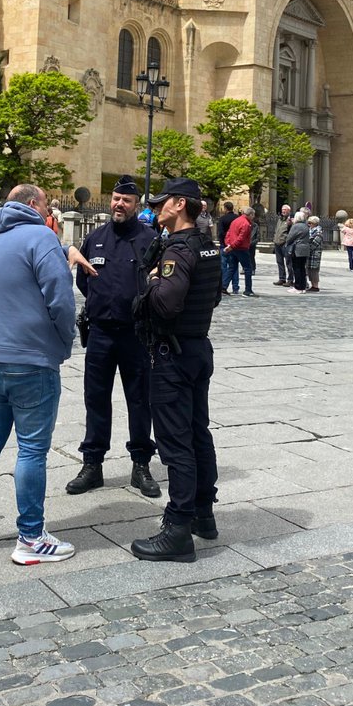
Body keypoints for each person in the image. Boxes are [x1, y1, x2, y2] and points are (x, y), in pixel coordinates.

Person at [0, 183, 77, 564]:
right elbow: (60, 294)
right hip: (30, 358)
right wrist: (65, 339)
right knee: (32, 449)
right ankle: (30, 537)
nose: (50, 211)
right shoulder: (40, 236)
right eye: (46, 204)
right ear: (32, 204)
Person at [130, 177, 221, 563]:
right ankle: (204, 512)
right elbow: (214, 295)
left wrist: (150, 284)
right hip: (198, 347)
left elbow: (165, 304)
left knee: (175, 442)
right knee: (199, 432)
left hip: (172, 355)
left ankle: (178, 528)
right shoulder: (207, 247)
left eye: (163, 202)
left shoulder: (178, 250)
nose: (157, 208)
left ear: (180, 204)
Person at [66, 176, 161, 499]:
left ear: (137, 206)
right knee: (96, 399)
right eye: (116, 199)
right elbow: (84, 281)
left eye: (126, 201)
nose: (119, 204)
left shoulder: (149, 238)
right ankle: (92, 464)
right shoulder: (95, 238)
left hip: (135, 335)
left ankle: (141, 464)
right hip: (101, 334)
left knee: (139, 400)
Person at [222, 206, 256, 297]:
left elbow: (228, 233)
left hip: (233, 248)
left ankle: (223, 287)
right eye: (253, 215)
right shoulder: (246, 224)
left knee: (232, 268)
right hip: (241, 248)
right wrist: (232, 246)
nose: (253, 217)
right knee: (248, 269)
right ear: (250, 214)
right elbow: (241, 238)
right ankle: (248, 290)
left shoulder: (235, 221)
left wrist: (228, 244)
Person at [284, 210, 310, 293]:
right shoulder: (306, 226)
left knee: (296, 268)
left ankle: (298, 287)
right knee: (302, 268)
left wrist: (287, 243)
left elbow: (290, 237)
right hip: (305, 249)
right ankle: (303, 287)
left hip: (297, 249)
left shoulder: (296, 226)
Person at [217, 200, 239, 295]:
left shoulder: (222, 219)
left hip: (225, 245)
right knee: (234, 266)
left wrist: (223, 241)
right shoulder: (237, 218)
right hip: (234, 245)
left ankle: (223, 285)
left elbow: (221, 233)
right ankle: (235, 287)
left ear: (225, 208)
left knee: (224, 266)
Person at [272, 204, 293, 286]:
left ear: (289, 211)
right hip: (277, 243)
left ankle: (290, 279)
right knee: (279, 262)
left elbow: (290, 233)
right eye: (282, 209)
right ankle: (282, 278)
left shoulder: (290, 220)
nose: (283, 211)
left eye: (285, 210)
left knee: (289, 262)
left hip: (285, 244)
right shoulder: (280, 219)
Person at [307, 216, 324, 291]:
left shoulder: (318, 232)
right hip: (309, 253)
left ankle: (315, 286)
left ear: (314, 223)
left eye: (310, 223)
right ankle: (312, 285)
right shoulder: (310, 230)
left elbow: (315, 243)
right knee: (310, 269)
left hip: (315, 253)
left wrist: (308, 249)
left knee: (314, 270)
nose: (309, 224)